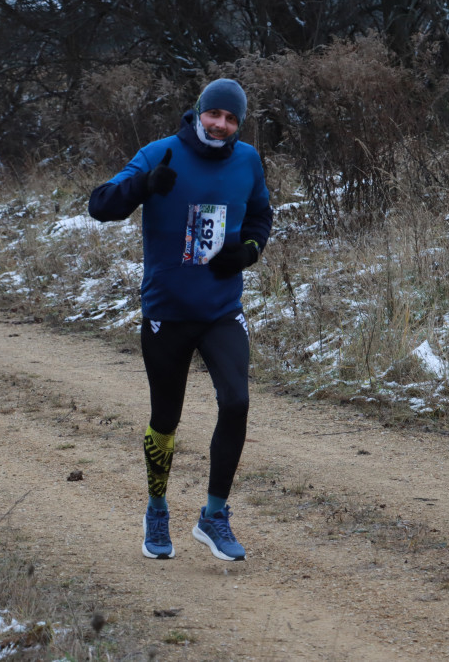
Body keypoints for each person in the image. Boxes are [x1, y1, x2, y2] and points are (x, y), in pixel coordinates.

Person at [88, 78, 272, 561]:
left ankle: (213, 516)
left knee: (236, 402)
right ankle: (156, 509)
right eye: (215, 114)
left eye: (232, 119)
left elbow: (260, 216)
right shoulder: (160, 152)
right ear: (197, 112)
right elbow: (100, 204)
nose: (221, 125)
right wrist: (143, 187)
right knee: (165, 418)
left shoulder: (248, 160)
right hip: (166, 313)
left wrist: (247, 252)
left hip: (220, 310)